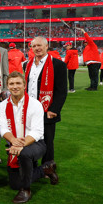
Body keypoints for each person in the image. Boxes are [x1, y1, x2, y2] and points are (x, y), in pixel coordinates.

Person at [0, 72, 57, 204]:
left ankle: (26, 190)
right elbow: (3, 128)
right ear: (7, 86)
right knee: (14, 184)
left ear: (24, 85)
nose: (15, 86)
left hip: (36, 143)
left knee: (24, 153)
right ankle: (44, 169)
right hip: (14, 143)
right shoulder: (2, 105)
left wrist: (20, 145)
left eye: (18, 83)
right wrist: (13, 141)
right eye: (11, 84)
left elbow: (37, 132)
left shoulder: (35, 104)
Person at [23, 36, 67, 179]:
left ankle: (48, 167)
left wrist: (54, 109)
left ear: (46, 46)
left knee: (47, 140)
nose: (37, 48)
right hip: (29, 110)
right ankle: (33, 166)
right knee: (30, 138)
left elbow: (61, 91)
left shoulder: (58, 65)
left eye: (40, 45)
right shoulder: (26, 64)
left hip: (47, 110)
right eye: (34, 46)